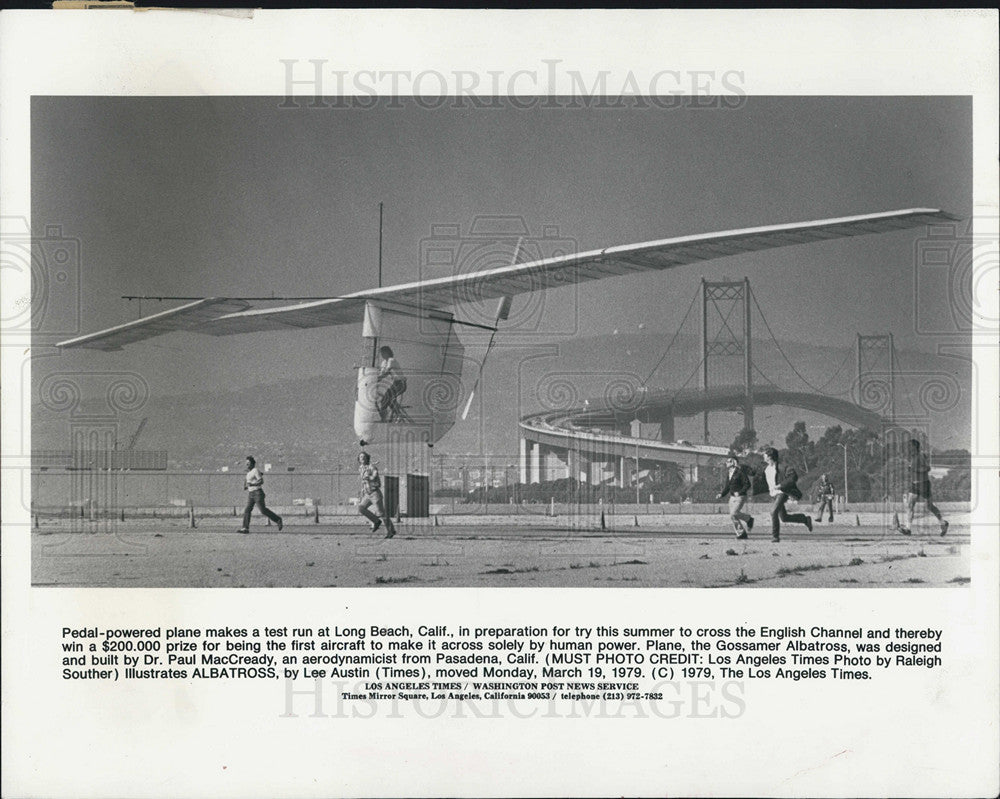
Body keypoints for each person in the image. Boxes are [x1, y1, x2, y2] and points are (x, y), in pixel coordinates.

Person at [896, 438, 948, 536]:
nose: (908, 449)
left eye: (910, 447)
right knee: (910, 505)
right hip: (914, 485)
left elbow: (928, 468)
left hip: (923, 484)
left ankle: (943, 523)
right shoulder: (913, 457)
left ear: (915, 447)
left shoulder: (921, 456)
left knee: (929, 506)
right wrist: (911, 468)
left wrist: (917, 469)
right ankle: (908, 528)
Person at [762, 447, 812, 542]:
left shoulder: (782, 467)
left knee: (773, 512)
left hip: (782, 493)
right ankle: (805, 519)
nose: (763, 456)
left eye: (764, 454)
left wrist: (780, 485)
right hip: (774, 494)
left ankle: (775, 536)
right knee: (784, 518)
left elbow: (793, 477)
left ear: (769, 456)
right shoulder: (767, 469)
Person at [238, 455, 282, 533]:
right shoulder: (248, 473)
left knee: (263, 510)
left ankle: (278, 519)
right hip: (251, 494)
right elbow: (248, 483)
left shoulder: (255, 470)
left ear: (252, 464)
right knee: (247, 510)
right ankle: (245, 528)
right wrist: (246, 486)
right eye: (246, 463)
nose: (247, 464)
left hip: (257, 493)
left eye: (248, 463)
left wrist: (252, 484)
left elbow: (261, 481)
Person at [357, 451, 396, 539]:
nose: (362, 458)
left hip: (375, 493)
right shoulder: (361, 468)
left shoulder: (371, 466)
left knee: (382, 513)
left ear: (367, 458)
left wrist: (370, 477)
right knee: (361, 508)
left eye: (364, 457)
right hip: (367, 494)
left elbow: (375, 475)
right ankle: (376, 521)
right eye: (360, 457)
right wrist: (362, 491)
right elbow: (363, 482)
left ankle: (391, 531)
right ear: (359, 460)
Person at [716, 455, 754, 539]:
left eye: (728, 461)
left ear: (733, 462)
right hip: (732, 497)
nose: (726, 463)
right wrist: (721, 494)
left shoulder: (740, 472)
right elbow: (727, 486)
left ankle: (748, 519)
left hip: (740, 497)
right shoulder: (729, 473)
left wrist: (740, 492)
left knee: (734, 513)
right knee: (733, 516)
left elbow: (747, 484)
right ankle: (741, 534)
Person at [376, 346, 407, 422]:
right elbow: (381, 373)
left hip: (400, 383)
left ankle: (398, 416)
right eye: (381, 353)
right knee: (384, 400)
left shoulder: (391, 360)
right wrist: (374, 380)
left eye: (383, 353)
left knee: (390, 399)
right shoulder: (384, 362)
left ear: (387, 352)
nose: (382, 355)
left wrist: (377, 379)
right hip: (395, 383)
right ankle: (384, 418)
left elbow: (386, 372)